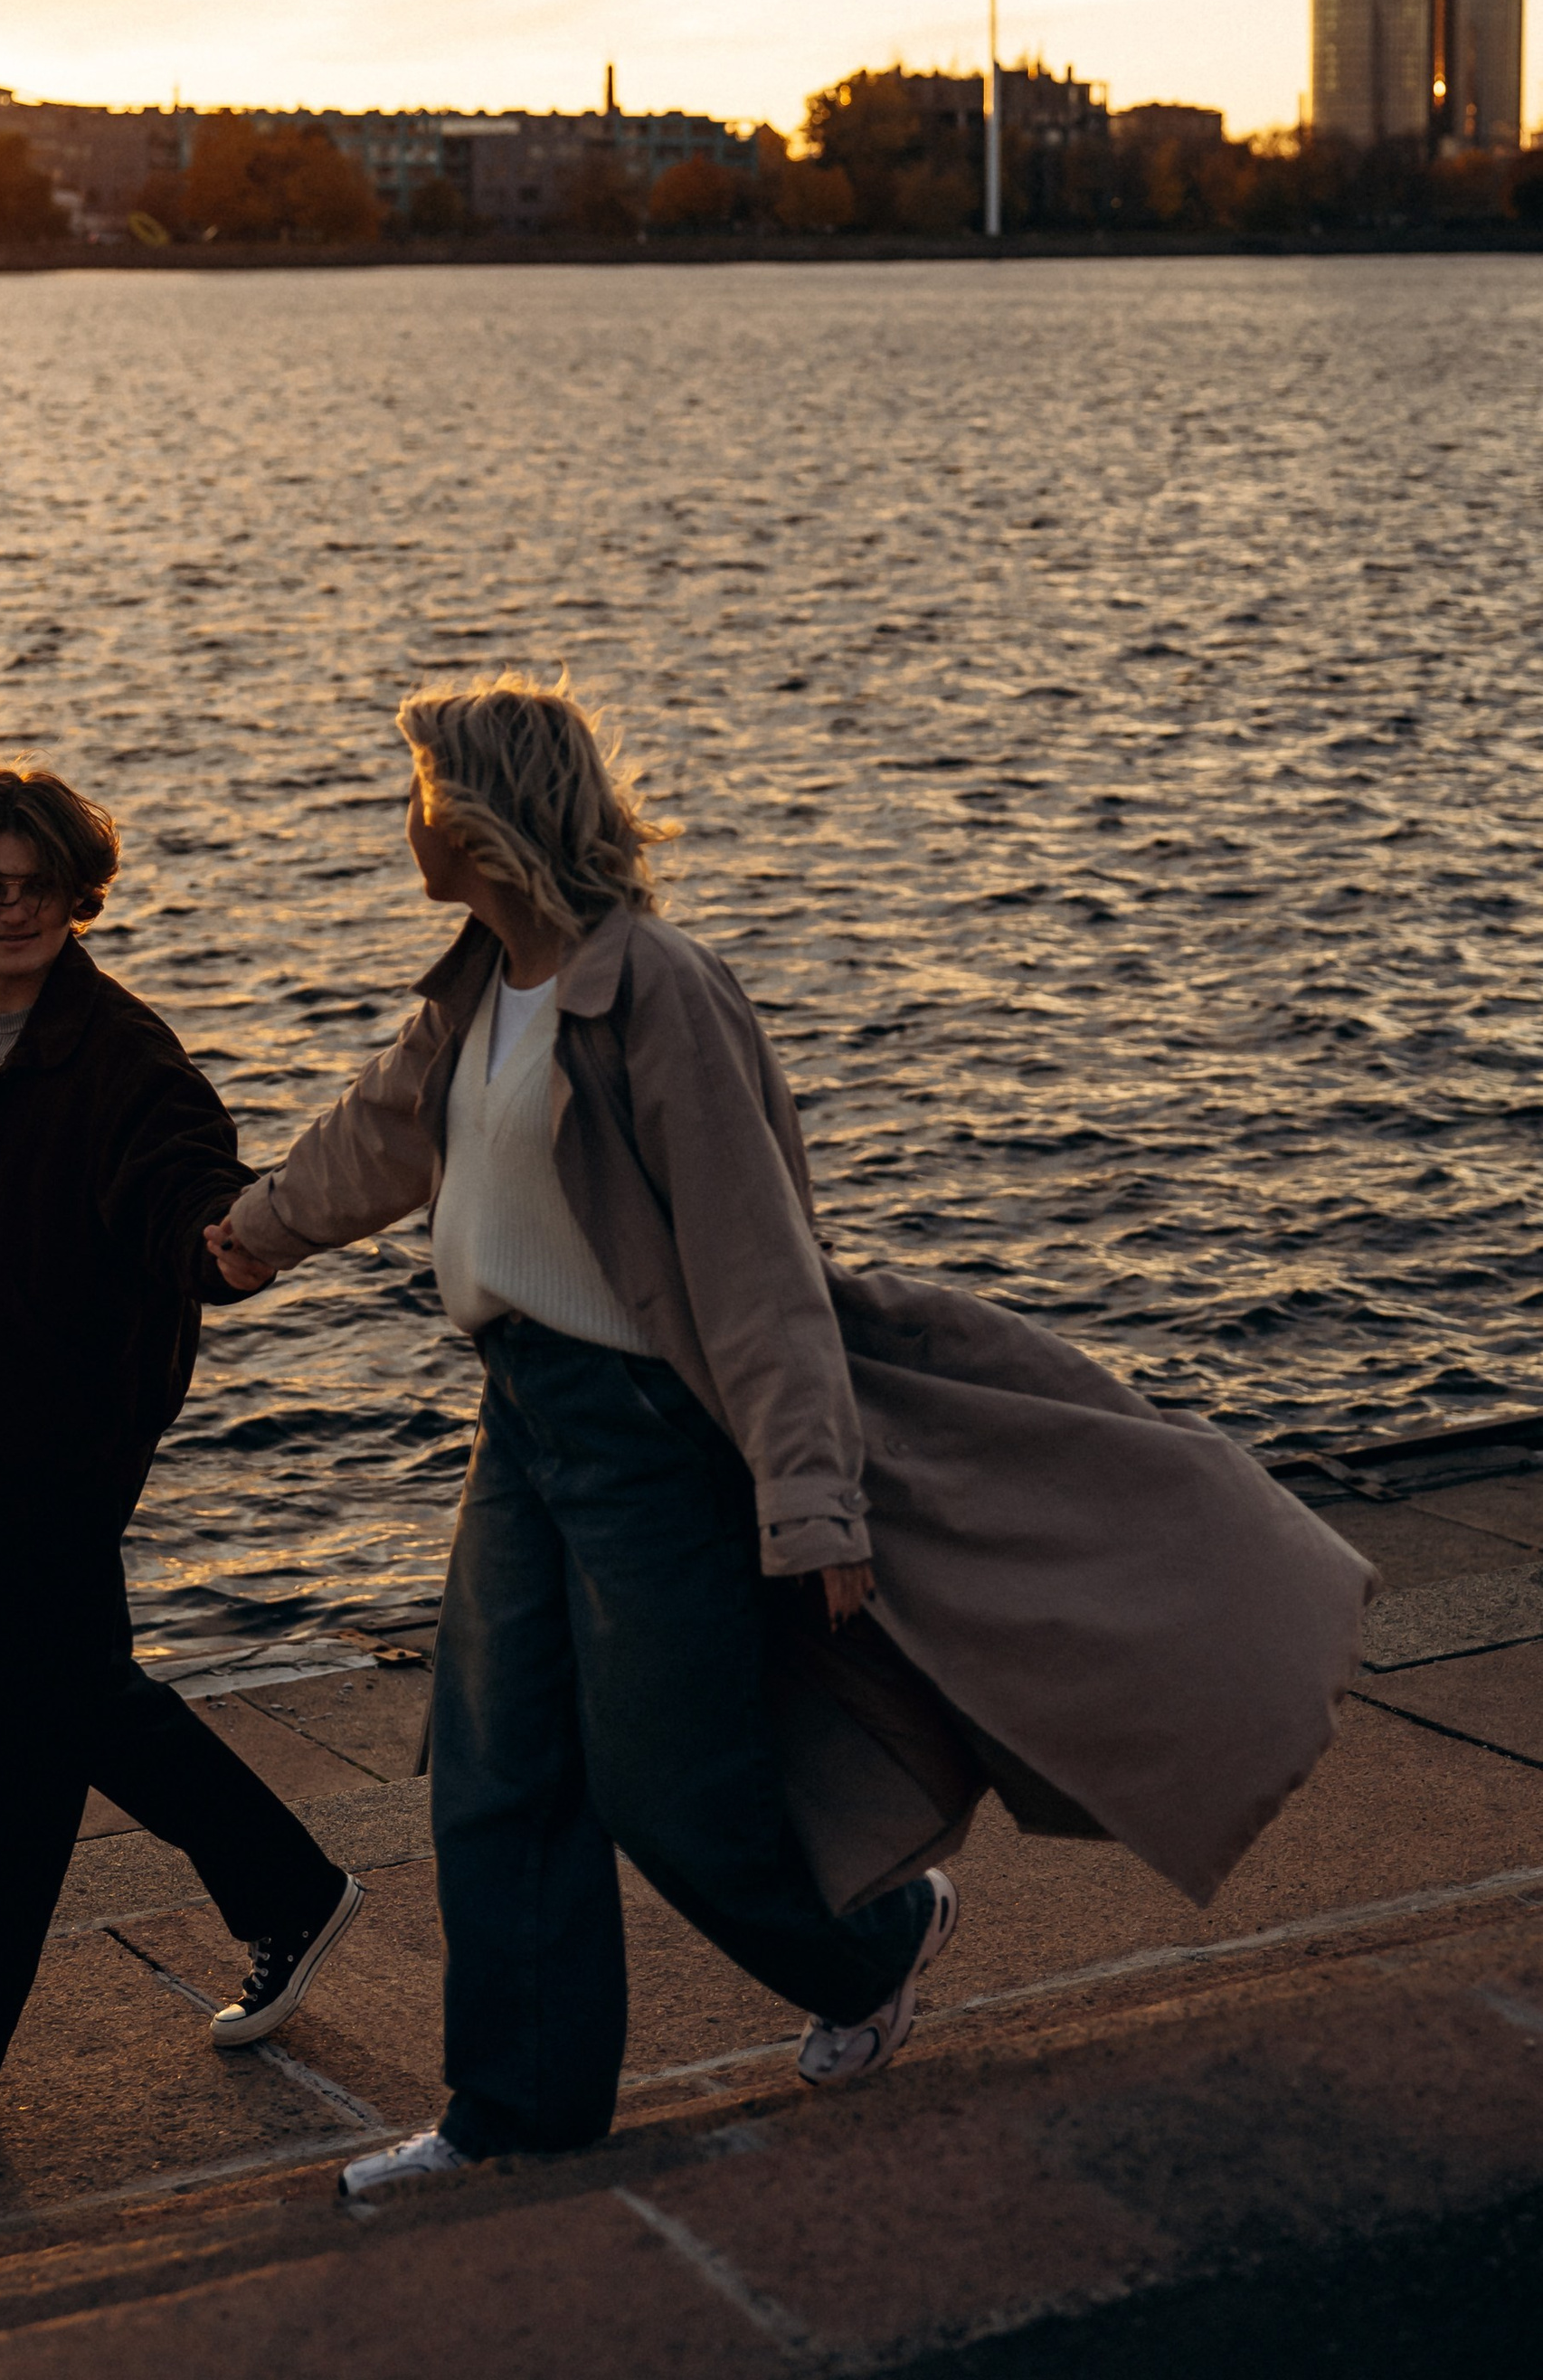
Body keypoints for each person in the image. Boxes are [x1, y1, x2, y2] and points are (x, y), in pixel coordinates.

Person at [206, 675, 1370, 2198]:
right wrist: (248, 1238)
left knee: (666, 1787)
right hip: (524, 1418)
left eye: (419, 792)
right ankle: (513, 2112)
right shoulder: (477, 987)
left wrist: (813, 1503)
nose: (403, 821)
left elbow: (758, 1265)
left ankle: (877, 1946)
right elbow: (378, 1132)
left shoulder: (657, 990)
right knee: (492, 1771)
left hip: (648, 1434)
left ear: (483, 817)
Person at [0, 762, 359, 2158]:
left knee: (4, 1775)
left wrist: (221, 1243)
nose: (15, 906)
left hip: (63, 1452)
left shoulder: (116, 1054)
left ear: (79, 891)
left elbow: (180, 1178)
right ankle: (289, 1890)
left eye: (39, 883)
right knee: (77, 1713)